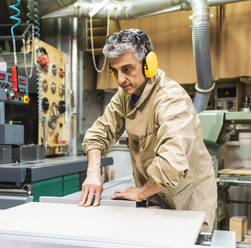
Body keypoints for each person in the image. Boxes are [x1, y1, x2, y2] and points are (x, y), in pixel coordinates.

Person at [79, 29, 217, 232]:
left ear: (149, 64)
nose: (120, 79)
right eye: (114, 71)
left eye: (127, 69)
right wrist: (93, 172)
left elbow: (172, 165)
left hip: (187, 203)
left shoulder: (171, 99)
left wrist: (141, 192)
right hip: (154, 198)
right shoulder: (125, 96)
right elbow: (100, 131)